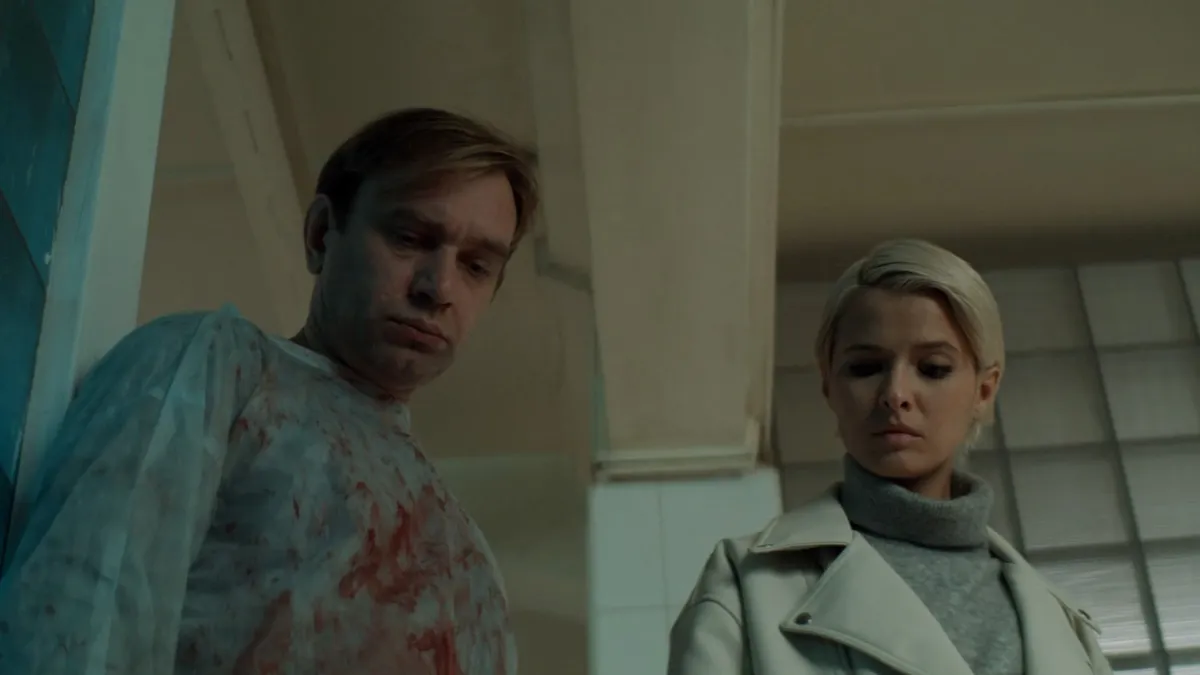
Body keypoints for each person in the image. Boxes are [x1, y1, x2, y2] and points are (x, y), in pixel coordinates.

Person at [0, 108, 539, 674]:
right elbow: (77, 628)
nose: (439, 287)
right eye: (409, 238)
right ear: (321, 234)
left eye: (476, 266)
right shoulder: (213, 370)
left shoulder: (469, 555)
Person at [668, 239, 1113, 675]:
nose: (896, 393)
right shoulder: (745, 586)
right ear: (828, 385)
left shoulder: (1062, 625)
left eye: (933, 368)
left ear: (984, 390)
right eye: (865, 368)